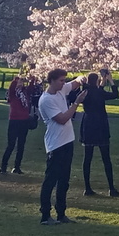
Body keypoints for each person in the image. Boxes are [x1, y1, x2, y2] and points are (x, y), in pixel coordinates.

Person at [39, 68, 81, 225]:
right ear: (52, 81)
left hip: (67, 142)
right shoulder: (46, 100)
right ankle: (45, 215)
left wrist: (82, 78)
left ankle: (61, 213)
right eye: (61, 80)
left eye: (64, 80)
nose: (64, 83)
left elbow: (75, 84)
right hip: (55, 145)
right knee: (50, 180)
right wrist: (76, 102)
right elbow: (62, 119)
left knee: (64, 180)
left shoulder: (61, 90)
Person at [79, 69, 119, 196]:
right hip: (101, 125)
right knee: (106, 158)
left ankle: (87, 187)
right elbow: (115, 94)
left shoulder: (85, 92)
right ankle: (111, 188)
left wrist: (101, 81)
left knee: (87, 158)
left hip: (88, 125)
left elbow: (96, 89)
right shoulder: (100, 93)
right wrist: (110, 80)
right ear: (96, 81)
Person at [2, 69, 38, 175]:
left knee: (21, 145)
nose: (21, 83)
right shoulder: (13, 94)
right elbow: (12, 86)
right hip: (14, 121)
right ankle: (3, 167)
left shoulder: (25, 93)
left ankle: (17, 167)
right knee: (11, 145)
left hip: (24, 121)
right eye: (19, 82)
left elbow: (32, 86)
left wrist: (32, 78)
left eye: (22, 82)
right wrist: (18, 77)